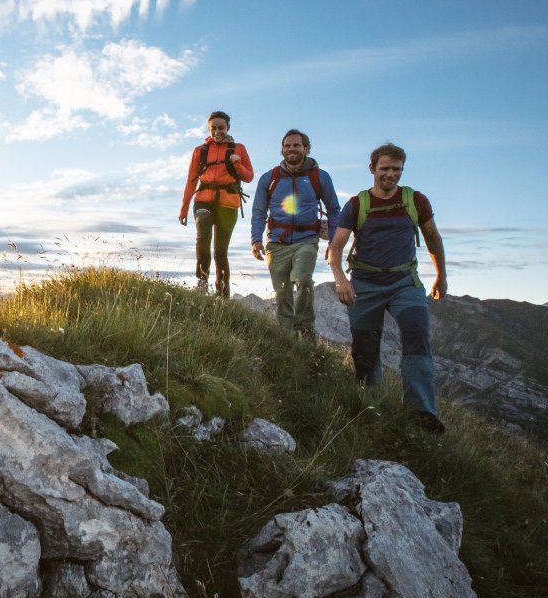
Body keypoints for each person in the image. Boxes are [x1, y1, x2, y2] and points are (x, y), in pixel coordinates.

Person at [327, 142, 447, 433]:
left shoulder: (415, 200)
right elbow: (336, 247)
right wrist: (341, 279)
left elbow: (432, 238)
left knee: (416, 335)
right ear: (372, 169)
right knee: (365, 348)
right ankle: (371, 405)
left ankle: (422, 413)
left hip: (404, 282)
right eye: (385, 169)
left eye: (396, 169)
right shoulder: (357, 204)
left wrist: (441, 276)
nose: (391, 174)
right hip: (365, 284)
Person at [250, 129, 341, 340]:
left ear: (306, 149)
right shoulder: (269, 178)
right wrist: (256, 239)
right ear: (282, 149)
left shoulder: (320, 177)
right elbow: (259, 212)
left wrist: (334, 244)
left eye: (296, 145)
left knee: (303, 278)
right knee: (282, 293)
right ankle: (287, 339)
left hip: (306, 241)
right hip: (276, 243)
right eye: (287, 145)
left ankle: (306, 331)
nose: (291, 149)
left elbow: (334, 210)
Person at [179, 110, 254, 297]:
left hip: (228, 204)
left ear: (228, 128)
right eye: (213, 128)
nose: (217, 132)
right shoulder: (200, 151)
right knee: (203, 238)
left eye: (221, 128)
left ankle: (222, 295)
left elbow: (249, 176)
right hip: (203, 200)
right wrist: (184, 208)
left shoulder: (240, 149)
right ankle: (202, 281)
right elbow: (191, 180)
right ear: (208, 129)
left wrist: (237, 164)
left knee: (220, 251)